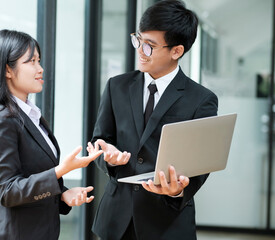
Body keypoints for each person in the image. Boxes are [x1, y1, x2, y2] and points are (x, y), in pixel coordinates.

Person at [87, 1, 218, 239]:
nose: (140, 50)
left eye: (149, 46)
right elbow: (100, 139)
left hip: (167, 222)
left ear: (176, 51)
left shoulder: (201, 99)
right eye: (138, 40)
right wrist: (110, 158)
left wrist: (179, 190)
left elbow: (201, 163)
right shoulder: (117, 86)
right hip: (116, 221)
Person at [0, 29, 102, 240]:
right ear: (7, 70)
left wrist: (63, 195)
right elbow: (8, 191)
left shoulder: (28, 115)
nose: (40, 69)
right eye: (31, 62)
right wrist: (60, 170)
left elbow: (30, 175)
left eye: (39, 60)